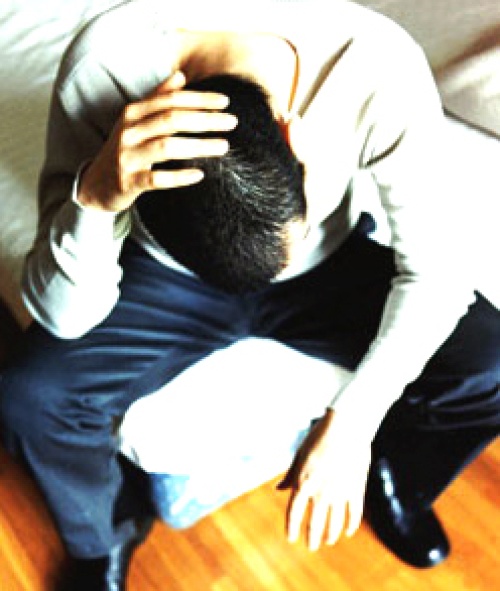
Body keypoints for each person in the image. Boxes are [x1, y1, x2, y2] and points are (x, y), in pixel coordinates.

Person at [0, 1, 498, 589]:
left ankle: (398, 480)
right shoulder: (102, 68)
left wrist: (353, 425)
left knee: (490, 362)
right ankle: (106, 532)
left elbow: (438, 273)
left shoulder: (377, 66)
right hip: (169, 273)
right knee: (32, 396)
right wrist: (95, 197)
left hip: (326, 263)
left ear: (293, 132)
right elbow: (62, 316)